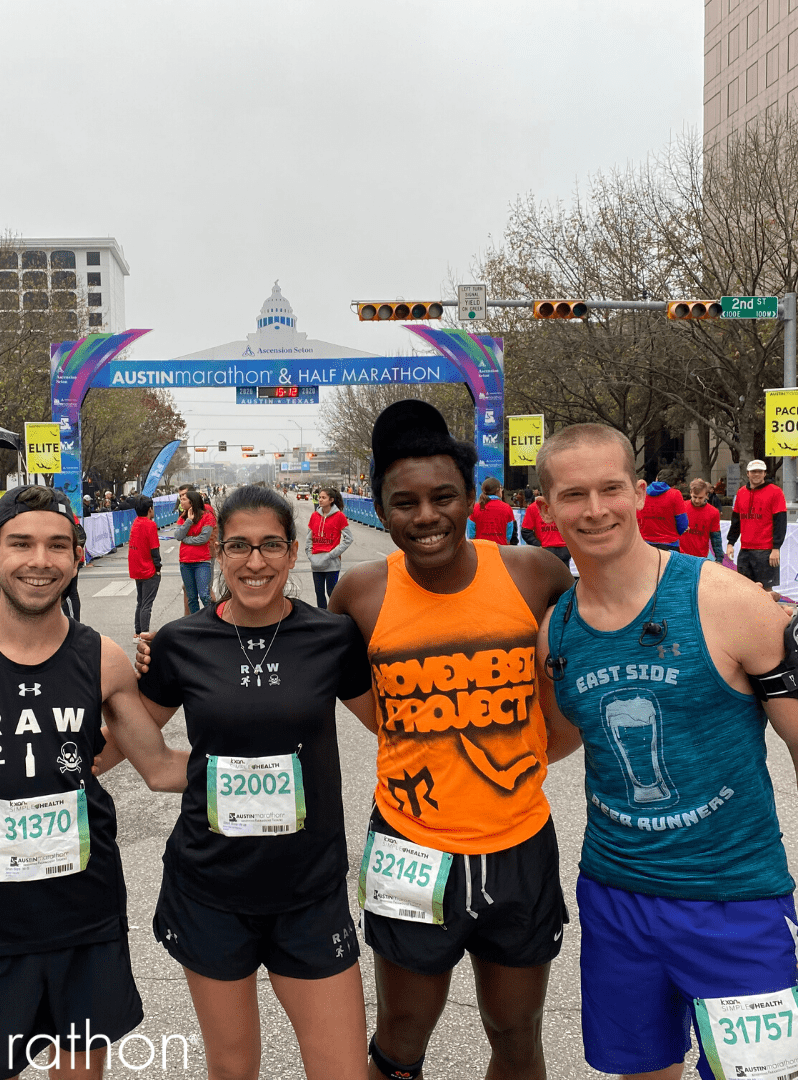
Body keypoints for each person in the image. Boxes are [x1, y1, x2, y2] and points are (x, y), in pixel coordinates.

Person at [534, 424, 798, 1080]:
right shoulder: (555, 631)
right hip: (616, 898)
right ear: (545, 509)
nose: (594, 509)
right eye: (573, 495)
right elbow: (557, 741)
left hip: (735, 901)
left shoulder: (729, 602)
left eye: (609, 489)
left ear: (640, 492)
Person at [318, 401, 573, 1080]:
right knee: (400, 1042)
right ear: (378, 509)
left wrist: (519, 752)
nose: (425, 516)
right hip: (410, 847)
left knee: (516, 1035)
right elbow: (369, 705)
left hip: (519, 846)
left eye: (443, 498)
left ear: (470, 499)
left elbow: (587, 669)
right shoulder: (359, 594)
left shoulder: (533, 574)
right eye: (404, 503)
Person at [0, 485, 186, 1080]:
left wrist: (266, 745)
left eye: (57, 546)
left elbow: (162, 767)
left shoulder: (103, 658)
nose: (40, 560)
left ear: (77, 558)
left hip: (82, 916)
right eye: (21, 544)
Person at [121, 485, 375, 1079]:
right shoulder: (181, 642)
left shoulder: (332, 639)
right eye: (237, 546)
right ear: (217, 552)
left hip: (309, 890)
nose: (253, 562)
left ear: (293, 553)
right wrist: (100, 669)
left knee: (342, 1070)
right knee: (233, 1068)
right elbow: (126, 743)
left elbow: (397, 728)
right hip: (211, 889)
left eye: (269, 547)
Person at [727, 458, 787, 592]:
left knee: (766, 591)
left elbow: (780, 522)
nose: (756, 474)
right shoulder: (741, 492)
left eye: (760, 471)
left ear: (765, 473)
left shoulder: (775, 492)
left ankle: (770, 613)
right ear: (747, 473)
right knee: (744, 589)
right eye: (753, 471)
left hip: (766, 551)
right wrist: (731, 543)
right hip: (745, 550)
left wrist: (776, 548)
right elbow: (736, 521)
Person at [305, 487, 354, 609]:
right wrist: (310, 555)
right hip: (316, 562)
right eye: (319, 497)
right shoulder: (314, 516)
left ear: (331, 500)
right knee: (319, 593)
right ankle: (323, 618)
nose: (320, 500)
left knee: (331, 592)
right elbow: (308, 537)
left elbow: (349, 539)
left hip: (332, 562)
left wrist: (332, 554)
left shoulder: (339, 516)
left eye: (323, 497)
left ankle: (334, 618)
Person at [175, 489, 215, 614]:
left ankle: (211, 619)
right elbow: (178, 535)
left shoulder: (207, 516)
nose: (181, 501)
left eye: (183, 499)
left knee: (204, 594)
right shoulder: (183, 517)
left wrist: (186, 539)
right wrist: (189, 521)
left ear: (192, 502)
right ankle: (195, 622)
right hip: (185, 562)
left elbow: (203, 538)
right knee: (191, 598)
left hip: (202, 562)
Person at [128, 495, 161, 637]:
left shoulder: (135, 522)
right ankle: (144, 633)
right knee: (147, 604)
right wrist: (158, 567)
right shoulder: (150, 525)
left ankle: (137, 631)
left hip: (136, 567)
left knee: (140, 602)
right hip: (148, 568)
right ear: (150, 509)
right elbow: (154, 548)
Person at [637, 472, 688, 550]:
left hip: (645, 542)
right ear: (673, 486)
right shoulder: (675, 494)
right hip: (670, 543)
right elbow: (683, 524)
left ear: (656, 479)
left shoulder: (642, 493)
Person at [679, 478, 724, 561]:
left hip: (700, 558)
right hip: (680, 556)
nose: (697, 500)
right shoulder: (681, 507)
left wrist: (719, 559)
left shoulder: (713, 512)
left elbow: (716, 539)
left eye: (700, 498)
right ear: (690, 493)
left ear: (706, 495)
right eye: (694, 497)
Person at [521, 494, 572, 566]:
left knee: (544, 576)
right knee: (562, 576)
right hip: (560, 549)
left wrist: (537, 545)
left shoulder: (533, 507)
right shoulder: (564, 505)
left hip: (546, 549)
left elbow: (526, 531)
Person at [467, 476, 517, 545]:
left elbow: (471, 535)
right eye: (501, 488)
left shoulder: (475, 508)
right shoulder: (507, 508)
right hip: (500, 550)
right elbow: (508, 535)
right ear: (497, 490)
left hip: (480, 550)